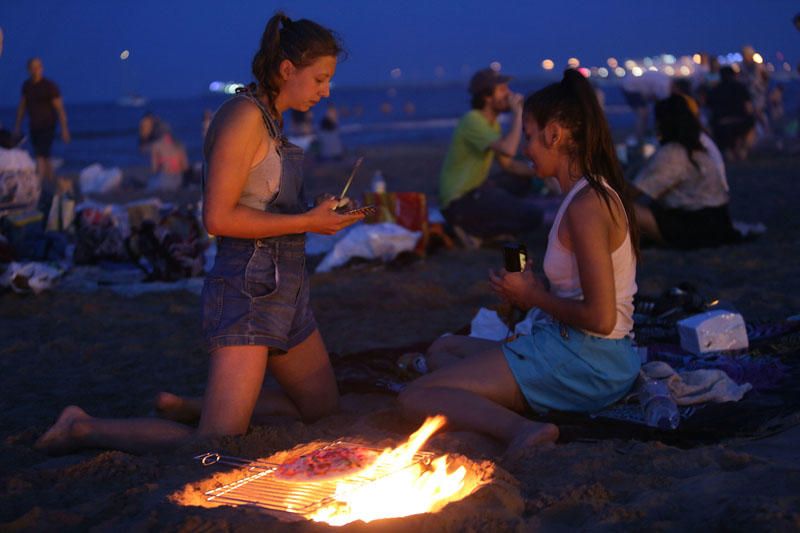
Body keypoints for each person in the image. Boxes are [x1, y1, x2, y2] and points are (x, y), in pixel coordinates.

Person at [35, 12, 364, 455]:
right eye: (321, 79)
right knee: (215, 445)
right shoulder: (242, 117)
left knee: (323, 411)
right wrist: (308, 222)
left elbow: (260, 202)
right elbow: (218, 219)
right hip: (248, 288)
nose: (326, 91)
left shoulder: (271, 118)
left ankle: (194, 405)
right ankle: (83, 427)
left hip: (288, 287)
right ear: (288, 69)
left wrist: (314, 211)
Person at [399, 70, 641, 455]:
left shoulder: (587, 204)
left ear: (555, 134)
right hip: (578, 347)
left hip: (590, 362)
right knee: (444, 349)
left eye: (529, 136)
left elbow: (601, 318)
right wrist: (533, 293)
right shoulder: (583, 194)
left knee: (415, 397)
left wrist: (535, 295)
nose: (525, 148)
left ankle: (522, 429)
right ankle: (497, 396)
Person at [438, 68, 542, 245]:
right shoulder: (472, 120)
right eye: (502, 90)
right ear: (487, 97)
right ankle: (470, 230)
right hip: (459, 201)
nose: (508, 94)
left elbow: (508, 165)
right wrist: (518, 114)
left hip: (477, 190)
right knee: (533, 215)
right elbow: (509, 150)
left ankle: (482, 229)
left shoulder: (492, 125)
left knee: (522, 181)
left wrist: (540, 172)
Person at [632, 94, 741, 249]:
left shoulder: (673, 153)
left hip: (694, 226)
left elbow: (634, 192)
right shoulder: (700, 148)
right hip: (719, 221)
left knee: (618, 208)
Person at [13, 57, 70, 186]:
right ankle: (58, 185)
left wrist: (64, 129)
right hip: (34, 126)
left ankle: (39, 186)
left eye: (38, 67)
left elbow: (60, 109)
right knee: (46, 158)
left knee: (40, 157)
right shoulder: (27, 86)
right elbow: (22, 108)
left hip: (48, 126)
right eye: (33, 67)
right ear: (28, 70)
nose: (36, 70)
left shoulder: (49, 86)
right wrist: (17, 127)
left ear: (42, 68)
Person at [706, 66, 756, 161]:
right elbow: (748, 107)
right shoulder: (741, 88)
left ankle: (727, 150)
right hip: (741, 122)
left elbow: (709, 108)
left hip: (720, 124)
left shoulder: (715, 90)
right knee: (752, 124)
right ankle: (743, 148)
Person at [620, 69, 672, 143]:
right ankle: (637, 139)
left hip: (629, 85)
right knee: (642, 114)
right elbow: (662, 102)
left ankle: (641, 136)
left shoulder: (665, 81)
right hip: (631, 87)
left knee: (644, 114)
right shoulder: (665, 86)